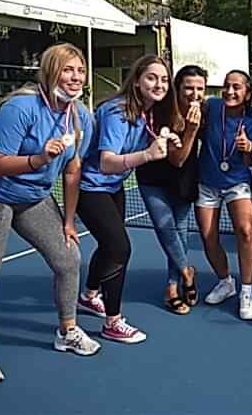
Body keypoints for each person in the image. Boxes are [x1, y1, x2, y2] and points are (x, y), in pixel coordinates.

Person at [0, 43, 100, 386]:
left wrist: (69, 221)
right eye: (67, 69)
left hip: (33, 197)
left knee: (69, 259)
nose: (76, 77)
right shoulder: (20, 107)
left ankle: (67, 331)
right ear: (50, 72)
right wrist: (39, 159)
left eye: (80, 71)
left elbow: (73, 170)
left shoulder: (81, 117)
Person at [77, 55, 179, 343]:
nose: (159, 84)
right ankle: (113, 322)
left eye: (163, 79)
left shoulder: (147, 112)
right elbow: (106, 162)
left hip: (114, 187)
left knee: (109, 246)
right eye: (151, 77)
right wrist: (147, 155)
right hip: (91, 188)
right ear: (136, 81)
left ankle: (89, 296)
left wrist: (165, 142)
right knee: (120, 248)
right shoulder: (117, 111)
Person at [136, 65, 204, 315]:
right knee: (166, 229)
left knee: (181, 235)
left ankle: (171, 288)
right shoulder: (163, 110)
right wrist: (191, 130)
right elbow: (177, 159)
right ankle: (187, 272)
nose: (194, 94)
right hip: (153, 178)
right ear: (177, 88)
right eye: (188, 88)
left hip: (184, 181)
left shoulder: (205, 111)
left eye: (200, 89)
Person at [196, 70, 252, 320]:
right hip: (207, 182)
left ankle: (247, 291)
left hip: (237, 182)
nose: (230, 91)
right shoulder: (211, 107)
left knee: (245, 230)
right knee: (208, 236)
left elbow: (251, 160)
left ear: (247, 93)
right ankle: (225, 282)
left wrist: (249, 147)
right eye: (226, 86)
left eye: (236, 87)